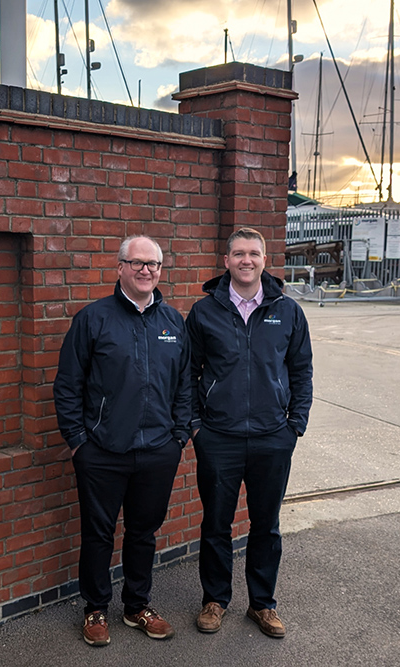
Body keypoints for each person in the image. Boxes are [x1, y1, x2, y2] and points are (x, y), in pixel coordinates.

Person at [53, 235, 192, 647]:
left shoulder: (173, 322)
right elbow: (68, 385)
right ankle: (95, 608)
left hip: (158, 450)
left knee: (143, 533)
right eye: (137, 263)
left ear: (160, 271)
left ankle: (136, 606)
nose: (146, 270)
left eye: (154, 264)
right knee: (98, 533)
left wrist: (179, 436)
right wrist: (78, 442)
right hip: (102, 452)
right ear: (120, 268)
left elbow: (185, 384)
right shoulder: (93, 319)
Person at [184, 227, 313, 639]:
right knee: (216, 524)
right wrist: (196, 427)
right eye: (238, 253)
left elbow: (301, 371)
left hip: (273, 437)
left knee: (266, 525)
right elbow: (188, 374)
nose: (246, 260)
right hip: (218, 437)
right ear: (226, 261)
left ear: (264, 260)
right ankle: (215, 599)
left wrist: (295, 425)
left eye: (253, 253)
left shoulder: (287, 311)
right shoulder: (204, 312)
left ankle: (262, 604)